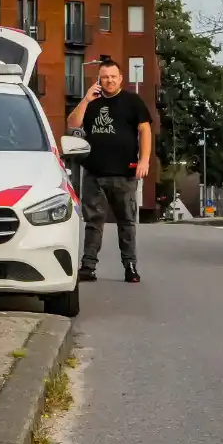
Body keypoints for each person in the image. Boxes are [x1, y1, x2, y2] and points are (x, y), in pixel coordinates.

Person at [66, 59, 153, 283]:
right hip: (94, 174)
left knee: (126, 222)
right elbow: (72, 124)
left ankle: (130, 266)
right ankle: (88, 266)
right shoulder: (92, 102)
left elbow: (145, 130)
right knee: (93, 222)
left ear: (121, 77)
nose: (109, 80)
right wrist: (86, 99)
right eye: (105, 77)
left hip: (125, 174)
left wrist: (144, 160)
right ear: (99, 79)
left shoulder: (132, 101)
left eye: (113, 76)